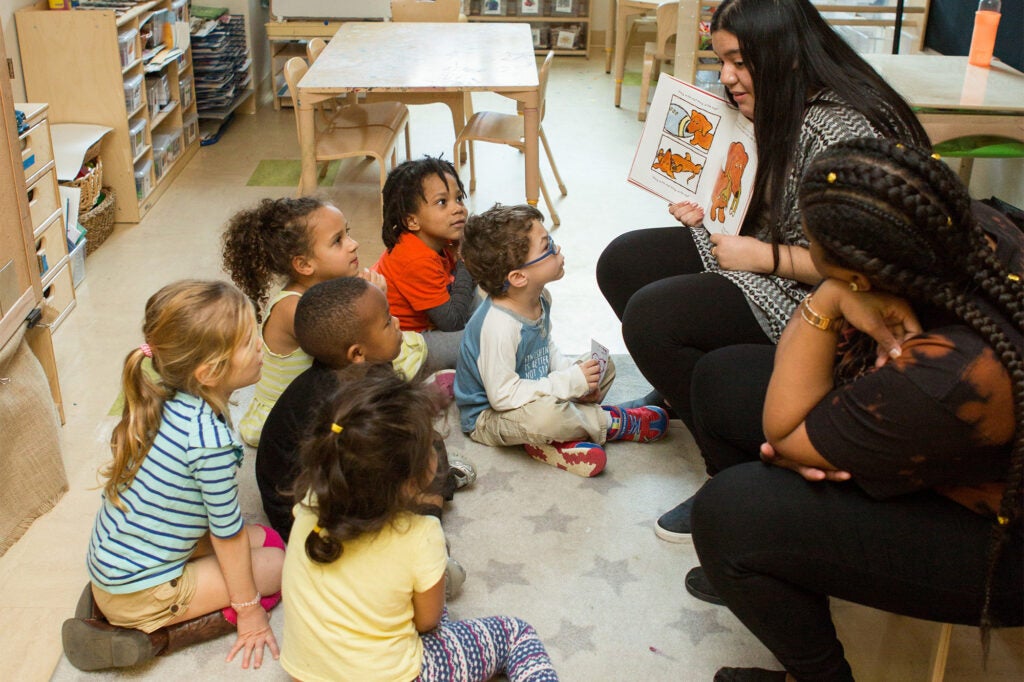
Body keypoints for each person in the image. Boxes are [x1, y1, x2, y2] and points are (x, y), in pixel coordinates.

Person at [684, 139, 1023, 681]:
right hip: (949, 446)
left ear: (863, 275)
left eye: (816, 251)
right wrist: (843, 292)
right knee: (722, 379)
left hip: (1001, 545)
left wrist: (828, 300)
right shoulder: (966, 227)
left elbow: (783, 430)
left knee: (735, 513)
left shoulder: (956, 373)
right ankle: (794, 568)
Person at [593, 0, 930, 536]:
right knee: (623, 261)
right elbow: (767, 206)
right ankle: (682, 393)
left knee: (654, 320)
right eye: (722, 60)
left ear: (785, 56)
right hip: (769, 254)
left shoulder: (839, 129)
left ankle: (727, 473)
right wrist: (708, 205)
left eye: (739, 62)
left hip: (822, 295)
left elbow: (876, 272)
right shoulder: (785, 102)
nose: (726, 77)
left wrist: (766, 257)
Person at [281, 363, 560, 681]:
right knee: (516, 634)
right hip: (399, 675)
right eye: (430, 444)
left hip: (307, 674)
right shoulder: (420, 535)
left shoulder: (310, 503)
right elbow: (426, 622)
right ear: (409, 482)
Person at [61, 280, 285, 672]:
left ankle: (109, 604)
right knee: (279, 569)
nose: (262, 348)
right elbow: (226, 534)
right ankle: (149, 636)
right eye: (251, 342)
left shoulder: (163, 394)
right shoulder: (208, 441)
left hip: (123, 562)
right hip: (144, 587)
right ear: (211, 371)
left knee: (268, 539)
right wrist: (249, 611)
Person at [455, 204, 669, 478]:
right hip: (490, 417)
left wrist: (574, 377)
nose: (557, 249)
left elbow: (546, 348)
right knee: (546, 418)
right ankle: (612, 421)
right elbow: (503, 397)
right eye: (548, 246)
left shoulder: (540, 297)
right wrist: (570, 383)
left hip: (534, 388)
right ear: (519, 277)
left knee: (603, 365)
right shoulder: (497, 325)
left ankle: (555, 440)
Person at [257, 276, 475, 544]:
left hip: (336, 477)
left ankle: (429, 502)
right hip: (306, 515)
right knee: (423, 451)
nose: (397, 323)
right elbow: (364, 470)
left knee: (428, 443)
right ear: (357, 353)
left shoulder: (366, 369)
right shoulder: (343, 404)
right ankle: (428, 539)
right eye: (387, 322)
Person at [222, 196, 427, 447]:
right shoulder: (293, 308)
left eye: (347, 233)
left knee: (405, 351)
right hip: (289, 413)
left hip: (320, 385)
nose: (354, 244)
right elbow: (359, 351)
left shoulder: (324, 289)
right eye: (338, 241)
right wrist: (375, 302)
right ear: (304, 264)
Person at [374, 156, 479, 370]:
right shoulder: (415, 258)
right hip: (407, 345)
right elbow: (452, 323)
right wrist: (466, 260)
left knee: (497, 313)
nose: (458, 208)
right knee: (486, 341)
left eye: (458, 198)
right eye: (442, 202)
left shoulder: (440, 238)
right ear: (412, 221)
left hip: (434, 323)